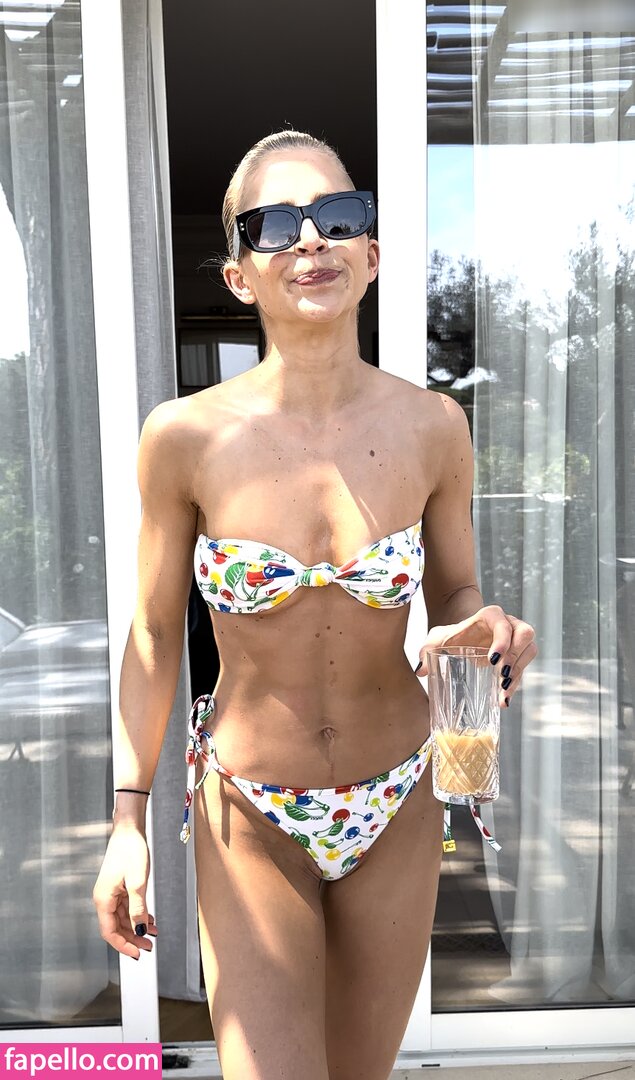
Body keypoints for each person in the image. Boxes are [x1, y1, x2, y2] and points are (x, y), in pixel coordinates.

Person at [92, 130, 537, 1080]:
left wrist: (482, 625)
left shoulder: (432, 425)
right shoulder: (184, 436)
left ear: (370, 254)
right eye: (274, 225)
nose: (310, 240)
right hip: (249, 807)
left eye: (337, 217)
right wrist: (127, 821)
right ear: (239, 275)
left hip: (399, 791)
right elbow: (153, 634)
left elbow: (455, 592)